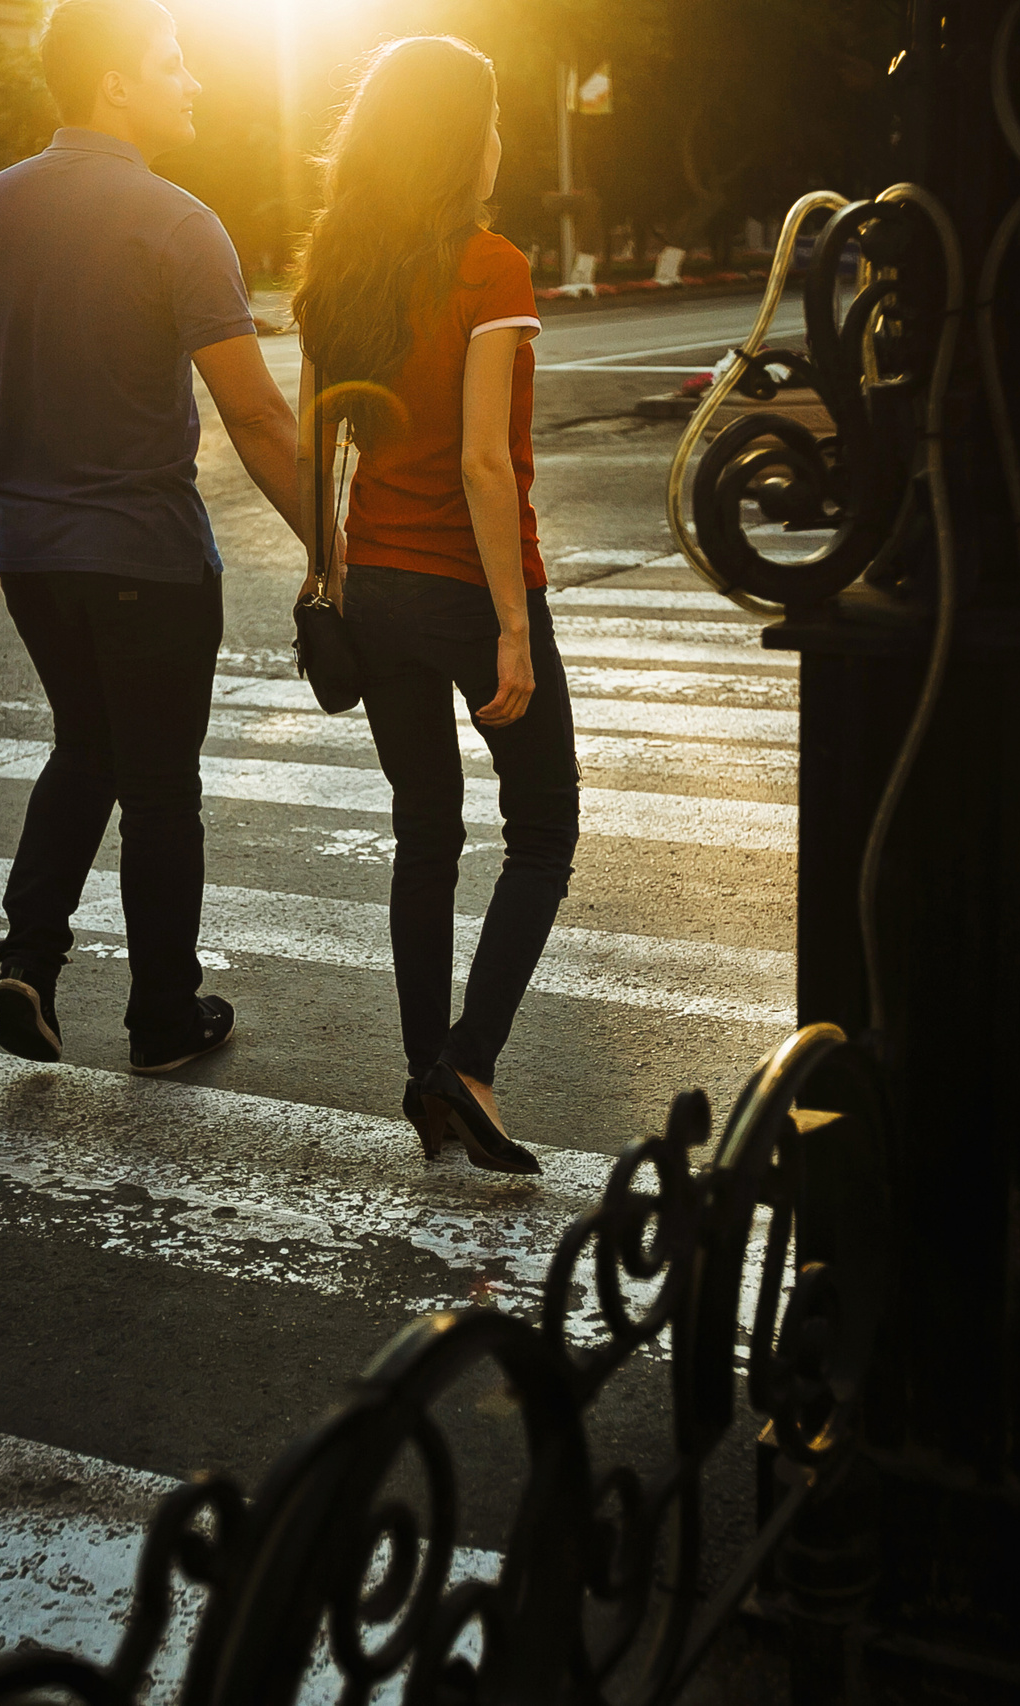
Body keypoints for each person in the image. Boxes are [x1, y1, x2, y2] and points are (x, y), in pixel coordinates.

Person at [0, 0, 304, 1074]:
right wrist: (338, 552)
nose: (192, 80)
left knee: (83, 746)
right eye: (172, 61)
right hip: (145, 554)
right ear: (114, 83)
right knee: (157, 788)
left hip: (30, 549)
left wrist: (20, 508)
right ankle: (160, 1018)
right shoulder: (178, 220)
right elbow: (255, 416)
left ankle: (29, 960)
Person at [291, 36, 580, 1175]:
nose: (501, 139)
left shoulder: (338, 259)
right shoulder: (488, 266)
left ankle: (426, 1073)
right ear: (464, 137)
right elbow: (484, 465)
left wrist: (329, 573)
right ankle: (467, 1061)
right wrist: (513, 624)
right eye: (494, 119)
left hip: (375, 588)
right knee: (544, 825)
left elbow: (317, 437)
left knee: (426, 832)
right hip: (468, 588)